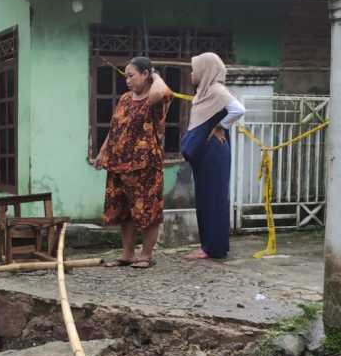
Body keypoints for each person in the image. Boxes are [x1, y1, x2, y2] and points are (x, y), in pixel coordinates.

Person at [95, 56, 172, 269]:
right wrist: (103, 152)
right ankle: (127, 254)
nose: (127, 80)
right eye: (126, 76)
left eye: (132, 75)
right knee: (125, 211)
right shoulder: (125, 99)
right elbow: (114, 129)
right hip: (118, 164)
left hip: (145, 166)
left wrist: (155, 74)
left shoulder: (155, 100)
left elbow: (161, 92)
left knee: (147, 211)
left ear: (146, 74)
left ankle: (145, 255)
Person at [181, 52, 245, 260]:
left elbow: (238, 109)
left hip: (214, 151)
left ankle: (214, 248)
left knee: (214, 198)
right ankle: (208, 246)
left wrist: (221, 126)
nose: (192, 73)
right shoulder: (205, 92)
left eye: (195, 69)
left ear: (205, 70)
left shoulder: (217, 91)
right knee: (206, 198)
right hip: (207, 152)